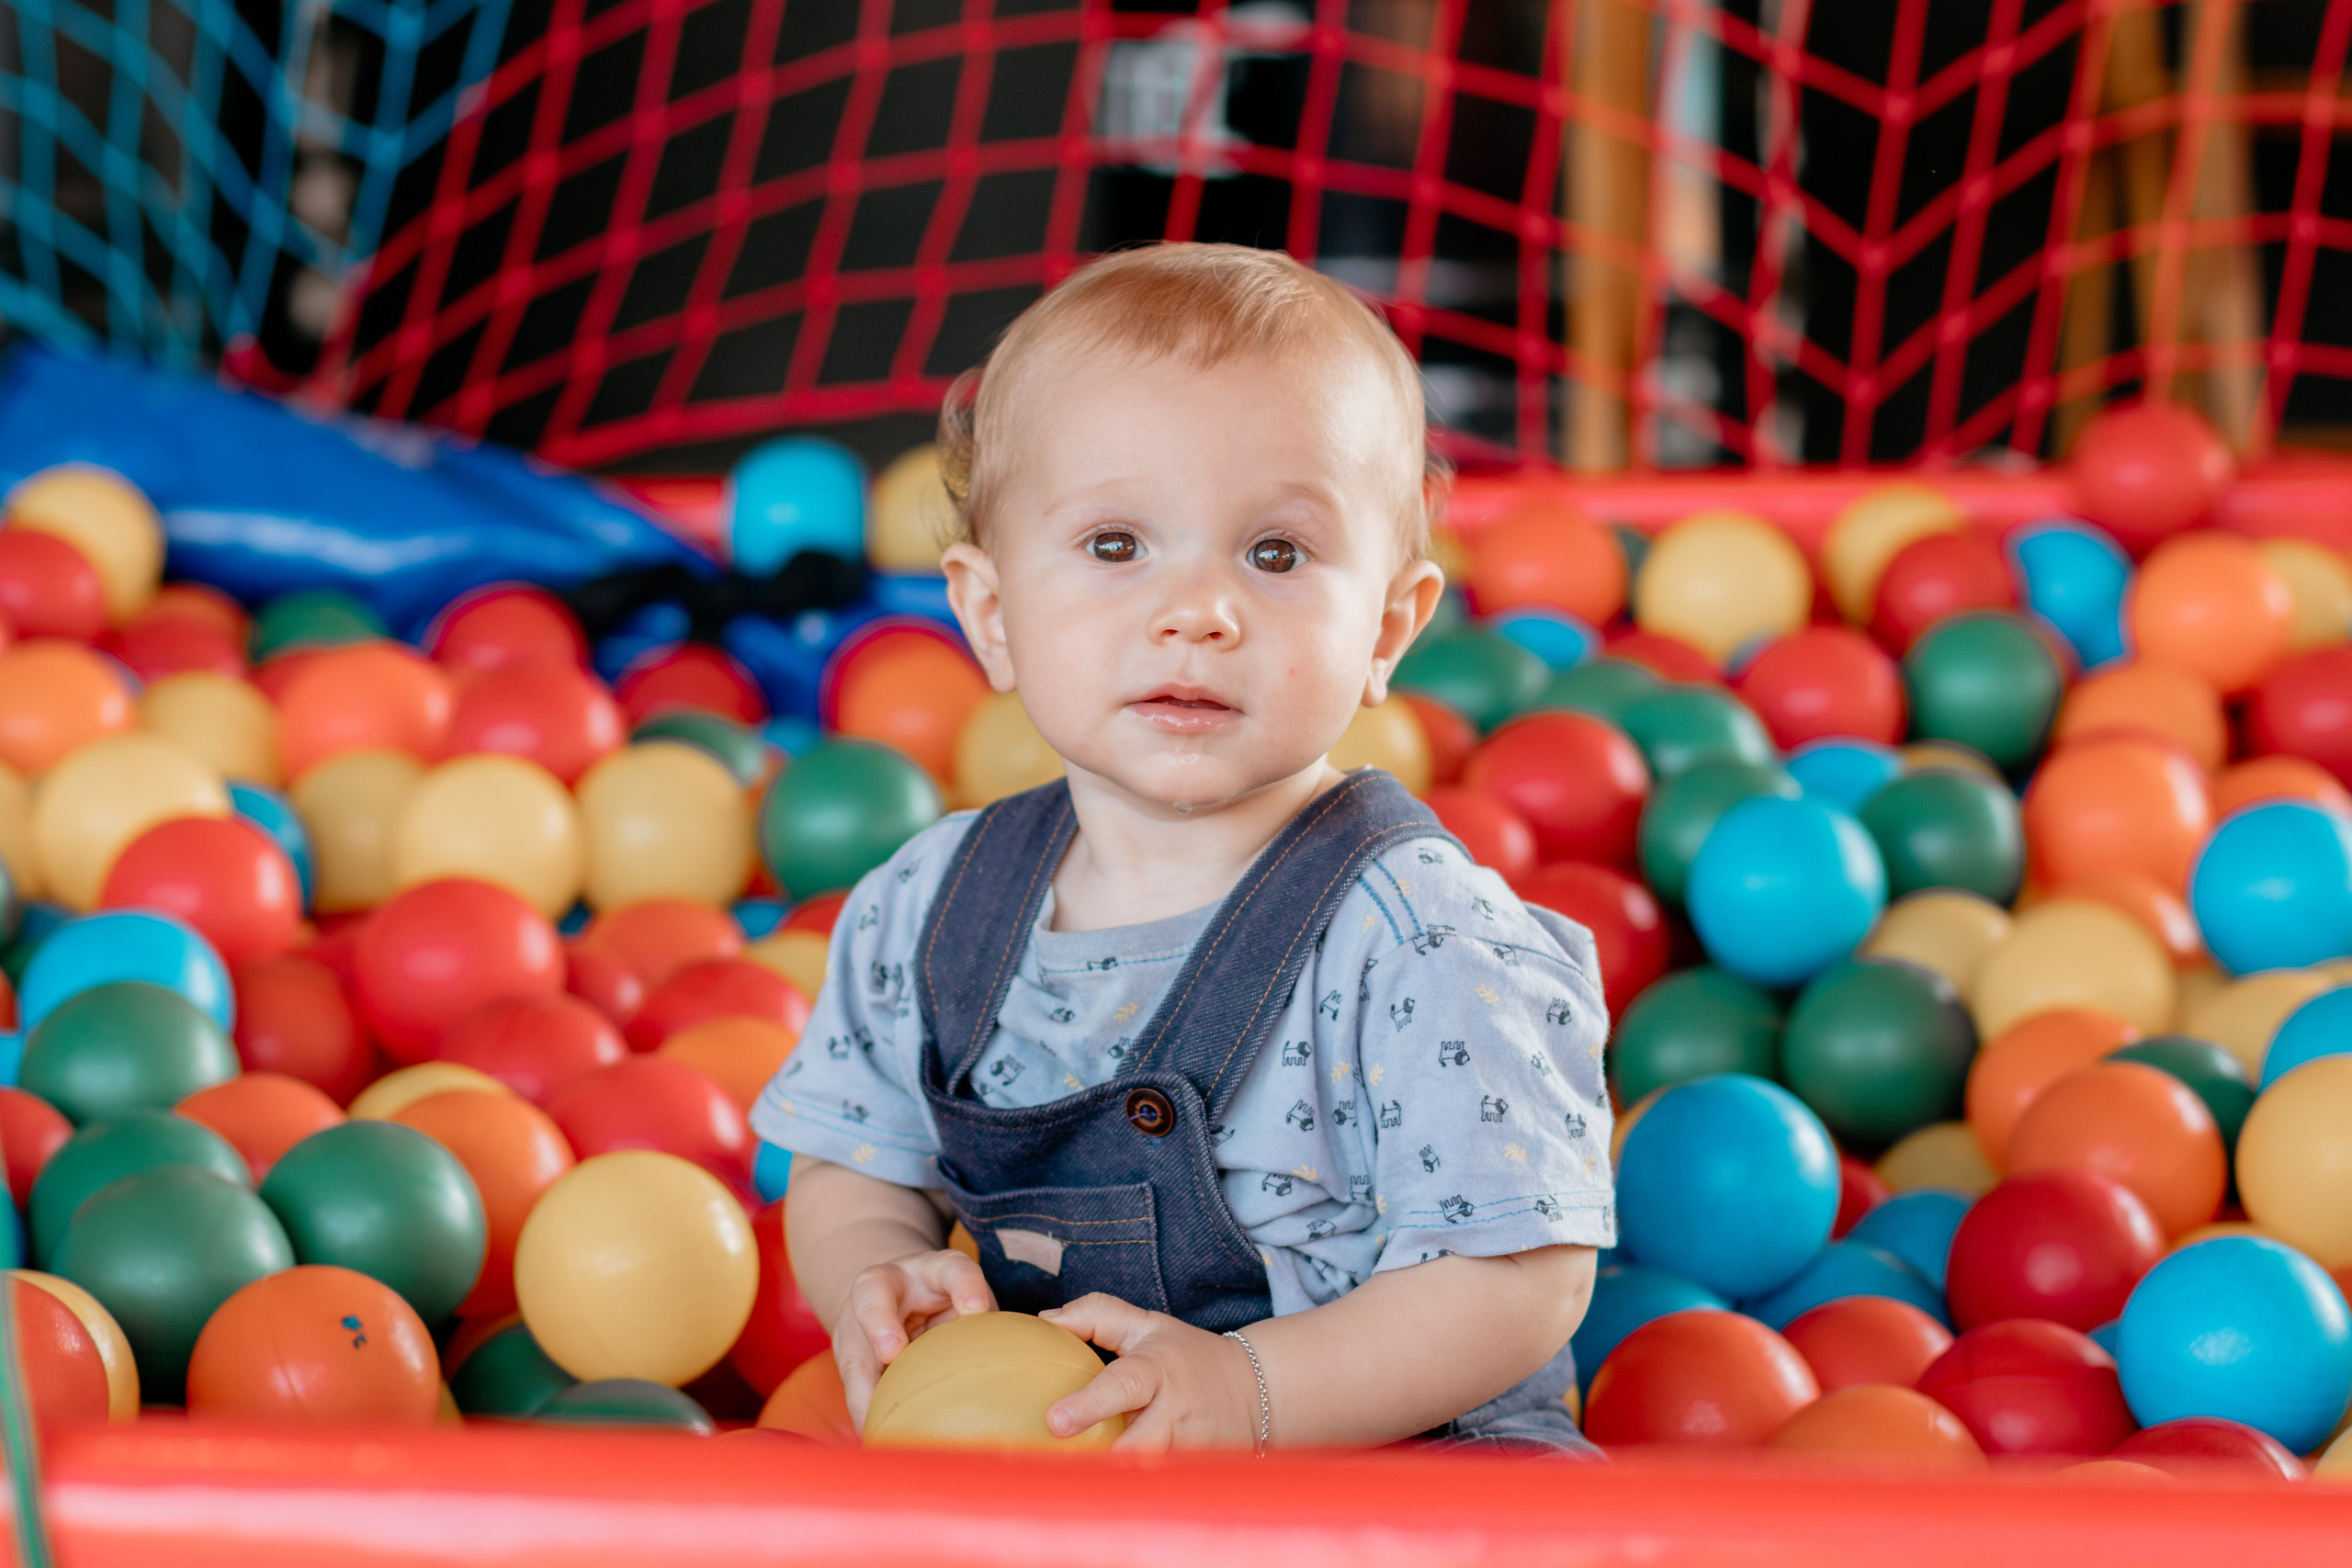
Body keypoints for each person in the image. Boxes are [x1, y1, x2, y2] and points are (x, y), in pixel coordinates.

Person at [751, 243, 1613, 1454]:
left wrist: (1253, 1395)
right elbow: (856, 1159)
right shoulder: (930, 911)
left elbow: (1524, 1282)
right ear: (994, 618)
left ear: (1388, 627)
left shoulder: (1422, 944)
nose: (1198, 610)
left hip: (1394, 1494)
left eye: (1275, 554)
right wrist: (877, 1272)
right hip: (1064, 1476)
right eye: (1116, 546)